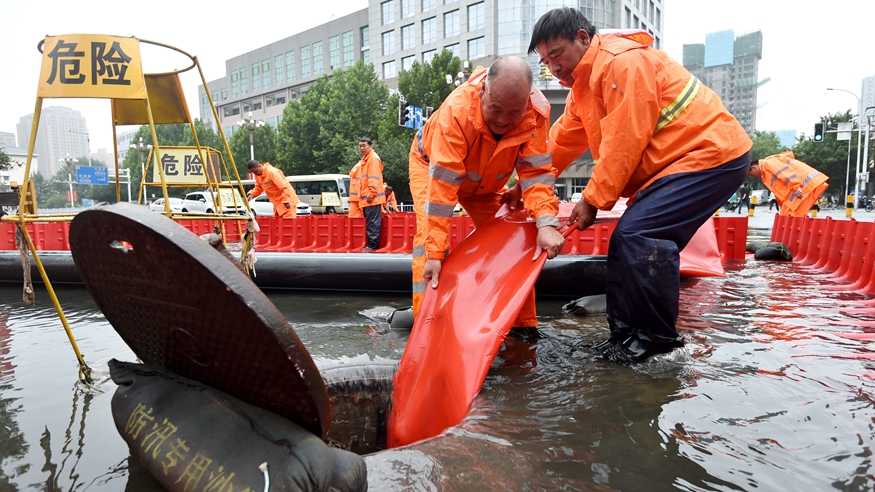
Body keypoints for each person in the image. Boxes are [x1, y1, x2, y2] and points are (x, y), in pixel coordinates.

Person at [530, 8, 752, 362]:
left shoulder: (622, 64)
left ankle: (657, 343)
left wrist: (591, 199)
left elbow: (624, 142)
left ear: (584, 38)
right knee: (629, 238)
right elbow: (558, 145)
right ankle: (625, 337)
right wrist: (523, 184)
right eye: (546, 61)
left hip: (711, 155)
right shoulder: (583, 90)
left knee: (641, 236)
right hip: (677, 164)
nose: (554, 67)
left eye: (557, 55)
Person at [409, 56, 565, 325]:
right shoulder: (456, 112)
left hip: (485, 181)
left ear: (526, 102)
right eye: (496, 109)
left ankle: (523, 326)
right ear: (484, 91)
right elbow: (442, 191)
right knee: (429, 243)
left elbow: (536, 173)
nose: (503, 121)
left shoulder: (535, 114)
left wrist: (547, 222)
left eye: (513, 113)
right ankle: (426, 324)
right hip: (431, 168)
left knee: (512, 242)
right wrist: (436, 254)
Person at [749, 150, 828, 217]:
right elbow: (779, 191)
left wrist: (796, 187)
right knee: (790, 217)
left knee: (789, 218)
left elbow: (784, 173)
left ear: (754, 167)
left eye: (751, 174)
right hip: (801, 190)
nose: (753, 176)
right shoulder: (765, 172)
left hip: (801, 189)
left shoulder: (767, 163)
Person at [355, 137, 385, 251]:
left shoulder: (372, 159)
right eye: (360, 146)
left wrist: (371, 193)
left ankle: (372, 246)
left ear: (370, 146)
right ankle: (370, 245)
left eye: (364, 145)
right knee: (371, 222)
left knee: (372, 223)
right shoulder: (367, 159)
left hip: (371, 197)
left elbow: (374, 178)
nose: (361, 148)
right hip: (368, 198)